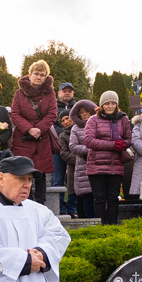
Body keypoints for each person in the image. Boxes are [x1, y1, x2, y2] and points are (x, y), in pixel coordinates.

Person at [10, 60, 57, 206]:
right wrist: (29, 129)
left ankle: (40, 207)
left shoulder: (50, 93)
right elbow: (15, 114)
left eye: (42, 75)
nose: (38, 77)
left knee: (40, 174)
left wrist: (39, 129)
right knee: (24, 173)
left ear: (45, 77)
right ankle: (24, 204)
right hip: (23, 139)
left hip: (42, 139)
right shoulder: (19, 93)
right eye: (36, 74)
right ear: (30, 75)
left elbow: (53, 113)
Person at [84, 91, 132, 225]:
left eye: (113, 103)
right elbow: (88, 141)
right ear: (101, 105)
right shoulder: (93, 119)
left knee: (113, 198)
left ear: (117, 105)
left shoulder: (123, 119)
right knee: (99, 199)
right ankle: (101, 227)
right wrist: (113, 144)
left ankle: (113, 226)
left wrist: (124, 144)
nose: (110, 106)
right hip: (96, 166)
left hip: (116, 164)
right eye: (107, 103)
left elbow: (129, 139)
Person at [68, 99, 98, 218]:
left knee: (99, 196)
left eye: (87, 111)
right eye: (81, 112)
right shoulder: (75, 128)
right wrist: (92, 148)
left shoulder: (100, 124)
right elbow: (73, 146)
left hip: (100, 164)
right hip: (83, 166)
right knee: (87, 196)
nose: (84, 114)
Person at [55, 83, 78, 216]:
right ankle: (61, 207)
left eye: (70, 91)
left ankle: (72, 207)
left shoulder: (77, 107)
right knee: (58, 179)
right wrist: (63, 134)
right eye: (64, 91)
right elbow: (51, 125)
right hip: (58, 149)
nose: (67, 93)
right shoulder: (53, 106)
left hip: (74, 151)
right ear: (59, 93)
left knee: (73, 180)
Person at [57, 110, 80, 219]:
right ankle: (71, 209)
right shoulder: (62, 135)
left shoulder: (82, 129)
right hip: (73, 164)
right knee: (71, 186)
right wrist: (79, 159)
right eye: (63, 120)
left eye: (67, 118)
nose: (66, 122)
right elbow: (64, 152)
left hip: (86, 165)